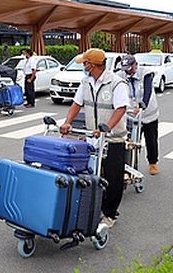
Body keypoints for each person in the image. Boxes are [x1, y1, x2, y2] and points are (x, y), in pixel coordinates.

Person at [59, 48, 130, 229]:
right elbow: (77, 104)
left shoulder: (116, 83)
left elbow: (120, 109)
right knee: (91, 175)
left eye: (85, 63)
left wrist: (107, 128)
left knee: (113, 179)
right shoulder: (86, 82)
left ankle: (110, 214)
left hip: (113, 139)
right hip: (92, 138)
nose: (83, 66)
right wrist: (67, 122)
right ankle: (93, 208)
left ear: (92, 65)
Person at [118, 54, 160, 175]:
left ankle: (153, 162)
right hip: (131, 115)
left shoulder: (145, 73)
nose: (128, 72)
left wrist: (143, 105)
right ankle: (131, 165)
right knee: (130, 142)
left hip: (148, 114)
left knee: (151, 140)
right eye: (126, 69)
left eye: (130, 69)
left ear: (135, 65)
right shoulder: (120, 75)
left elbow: (148, 91)